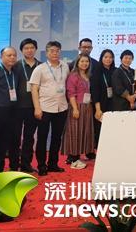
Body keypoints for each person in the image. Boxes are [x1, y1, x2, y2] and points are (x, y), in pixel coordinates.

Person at [30, 41, 69, 176]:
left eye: (57, 51)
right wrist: (37, 108)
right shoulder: (40, 69)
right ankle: (41, 165)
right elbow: (34, 89)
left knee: (57, 138)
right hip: (45, 108)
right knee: (42, 138)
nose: (55, 53)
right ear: (46, 53)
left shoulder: (65, 66)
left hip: (61, 108)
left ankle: (53, 164)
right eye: (52, 51)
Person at [11, 38, 40, 172]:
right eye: (26, 48)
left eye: (32, 48)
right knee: (15, 137)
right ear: (22, 50)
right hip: (16, 108)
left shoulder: (41, 66)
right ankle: (13, 165)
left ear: (35, 49)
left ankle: (26, 164)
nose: (29, 50)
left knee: (29, 137)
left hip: (33, 107)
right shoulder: (15, 65)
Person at [62, 55, 94, 169]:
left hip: (87, 107)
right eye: (82, 61)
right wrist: (75, 108)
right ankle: (72, 158)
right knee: (75, 131)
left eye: (87, 61)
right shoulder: (73, 76)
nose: (84, 63)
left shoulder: (87, 75)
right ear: (77, 63)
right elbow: (71, 94)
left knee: (84, 131)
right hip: (77, 106)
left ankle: (78, 155)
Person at [90, 49, 115, 150]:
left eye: (110, 57)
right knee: (99, 129)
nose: (108, 59)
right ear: (101, 58)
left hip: (113, 104)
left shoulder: (115, 71)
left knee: (111, 130)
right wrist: (98, 109)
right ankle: (100, 151)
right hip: (100, 104)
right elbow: (94, 91)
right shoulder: (96, 71)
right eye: (106, 57)